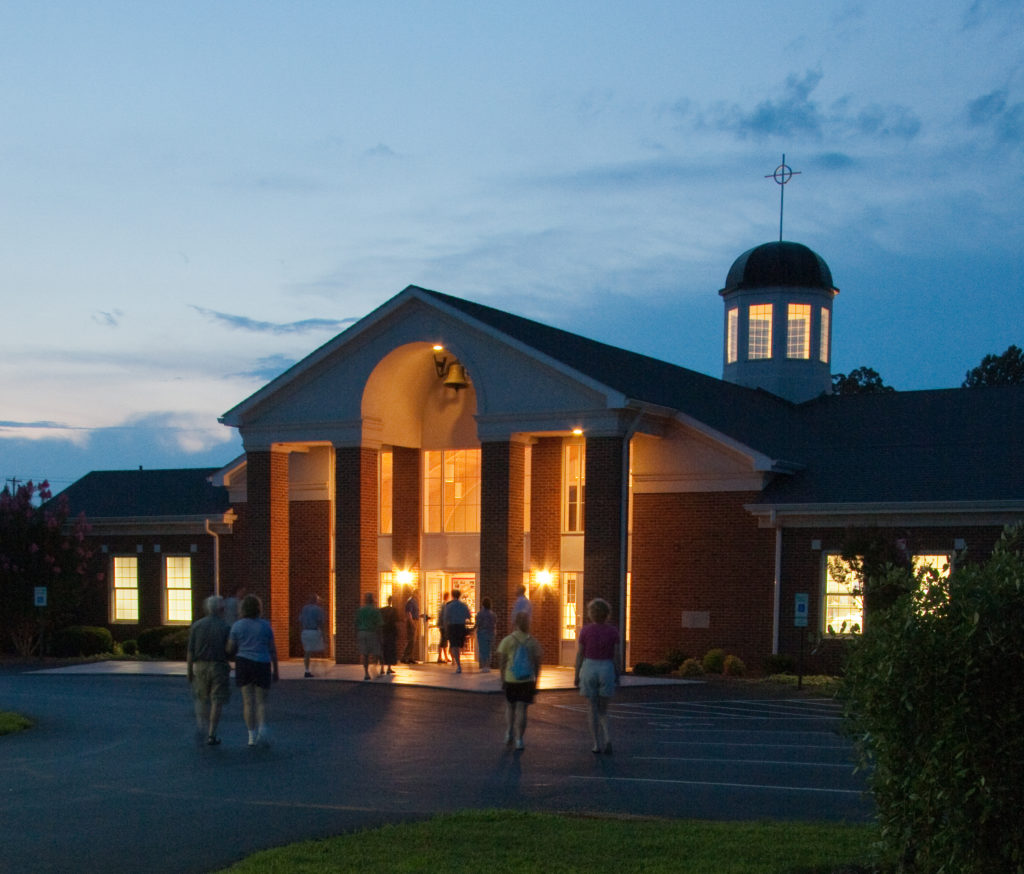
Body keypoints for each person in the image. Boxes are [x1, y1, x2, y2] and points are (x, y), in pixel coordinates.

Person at [226, 593, 279, 747]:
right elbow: (272, 649)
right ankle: (263, 729)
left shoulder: (237, 625)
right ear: (258, 608)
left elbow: (230, 648)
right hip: (262, 663)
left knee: (248, 702)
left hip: (244, 663)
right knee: (261, 702)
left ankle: (251, 735)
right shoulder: (265, 625)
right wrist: (276, 670)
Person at [573, 597, 622, 754]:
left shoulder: (586, 631)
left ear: (591, 614)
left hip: (589, 666)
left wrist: (576, 673)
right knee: (604, 709)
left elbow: (580, 654)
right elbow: (616, 655)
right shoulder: (613, 631)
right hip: (606, 666)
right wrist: (617, 673)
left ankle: (596, 743)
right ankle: (607, 737)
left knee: (591, 707)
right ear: (607, 614)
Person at [186, 594, 231, 746]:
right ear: (220, 609)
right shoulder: (225, 627)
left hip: (200, 665)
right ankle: (212, 733)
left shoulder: (197, 626)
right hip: (218, 665)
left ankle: (201, 725)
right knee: (216, 700)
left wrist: (189, 670)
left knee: (200, 698)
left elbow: (191, 650)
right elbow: (229, 650)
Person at [496, 611, 542, 751]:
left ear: (515, 623)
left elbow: (502, 661)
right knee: (522, 709)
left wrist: (502, 677)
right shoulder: (533, 642)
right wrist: (536, 681)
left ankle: (509, 731)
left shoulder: (508, 641)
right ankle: (519, 739)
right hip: (527, 680)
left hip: (511, 679)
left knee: (510, 707)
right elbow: (537, 663)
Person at [355, 592, 383, 680]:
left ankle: (366, 673)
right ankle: (374, 667)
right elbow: (379, 624)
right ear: (372, 600)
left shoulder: (360, 610)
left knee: (365, 654)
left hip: (361, 632)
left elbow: (356, 623)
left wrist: (356, 634)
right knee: (376, 652)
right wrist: (380, 636)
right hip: (372, 632)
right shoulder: (375, 611)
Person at [298, 593, 326, 678]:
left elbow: (300, 620)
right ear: (316, 600)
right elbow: (321, 622)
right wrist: (324, 635)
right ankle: (321, 668)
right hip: (314, 631)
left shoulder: (304, 608)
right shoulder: (318, 609)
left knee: (307, 652)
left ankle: (307, 670)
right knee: (321, 648)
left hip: (305, 631)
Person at [444, 589, 472, 673]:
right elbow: (469, 616)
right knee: (459, 645)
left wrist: (446, 629)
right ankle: (459, 661)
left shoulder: (449, 606)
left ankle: (458, 663)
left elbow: (446, 618)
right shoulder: (464, 605)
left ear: (452, 595)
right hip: (461, 626)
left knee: (454, 646)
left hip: (452, 627)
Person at [474, 596, 496, 672]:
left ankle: (483, 666)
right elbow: (494, 624)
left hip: (482, 633)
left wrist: (472, 629)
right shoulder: (492, 614)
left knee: (482, 650)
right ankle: (488, 666)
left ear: (482, 604)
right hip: (490, 633)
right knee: (489, 650)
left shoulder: (480, 614)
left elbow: (477, 624)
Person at [379, 594, 399, 675]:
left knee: (383, 649)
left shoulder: (382, 610)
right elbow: (396, 621)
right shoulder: (394, 610)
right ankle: (389, 668)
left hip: (384, 631)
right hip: (391, 631)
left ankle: (382, 668)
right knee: (390, 650)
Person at [402, 591, 420, 663]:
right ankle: (405, 657)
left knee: (413, 640)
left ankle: (411, 657)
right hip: (413, 622)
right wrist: (412, 623)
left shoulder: (415, 602)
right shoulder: (411, 602)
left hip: (416, 620)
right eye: (418, 594)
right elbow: (409, 613)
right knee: (411, 640)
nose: (419, 595)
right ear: (415, 594)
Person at [435, 591, 451, 663]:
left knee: (444, 641)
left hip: (442, 625)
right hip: (443, 626)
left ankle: (445, 657)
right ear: (447, 597)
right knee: (443, 641)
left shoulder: (442, 605)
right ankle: (440, 657)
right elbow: (444, 616)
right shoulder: (445, 605)